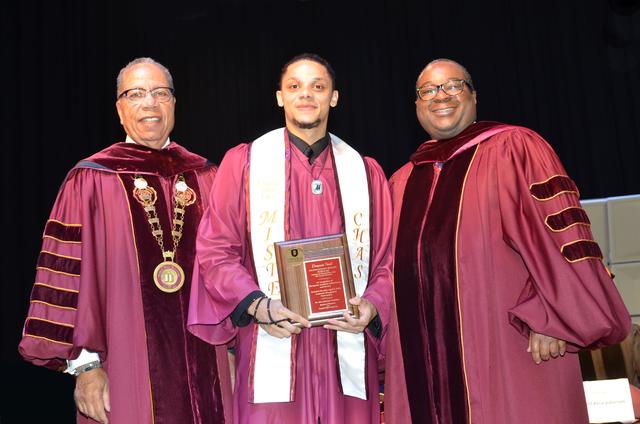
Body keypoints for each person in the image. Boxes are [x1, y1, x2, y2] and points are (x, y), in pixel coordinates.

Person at [384, 58, 631, 424]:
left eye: (454, 85)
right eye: (429, 90)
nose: (441, 96)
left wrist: (550, 317)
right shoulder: (401, 182)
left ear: (474, 95)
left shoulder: (515, 148)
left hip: (514, 345)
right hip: (425, 366)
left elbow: (560, 237)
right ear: (417, 105)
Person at [18, 57, 231, 424]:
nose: (150, 103)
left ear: (174, 103)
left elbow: (233, 269)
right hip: (123, 367)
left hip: (211, 364)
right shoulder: (90, 180)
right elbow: (67, 280)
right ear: (119, 109)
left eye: (160, 93)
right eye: (136, 94)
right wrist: (85, 367)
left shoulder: (208, 176)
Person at [188, 53, 393, 423]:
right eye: (295, 86)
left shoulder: (365, 172)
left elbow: (387, 261)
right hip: (272, 342)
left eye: (318, 87)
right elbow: (216, 250)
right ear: (280, 96)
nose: (306, 95)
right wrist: (257, 306)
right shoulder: (246, 164)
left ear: (334, 97)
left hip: (344, 348)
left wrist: (372, 306)